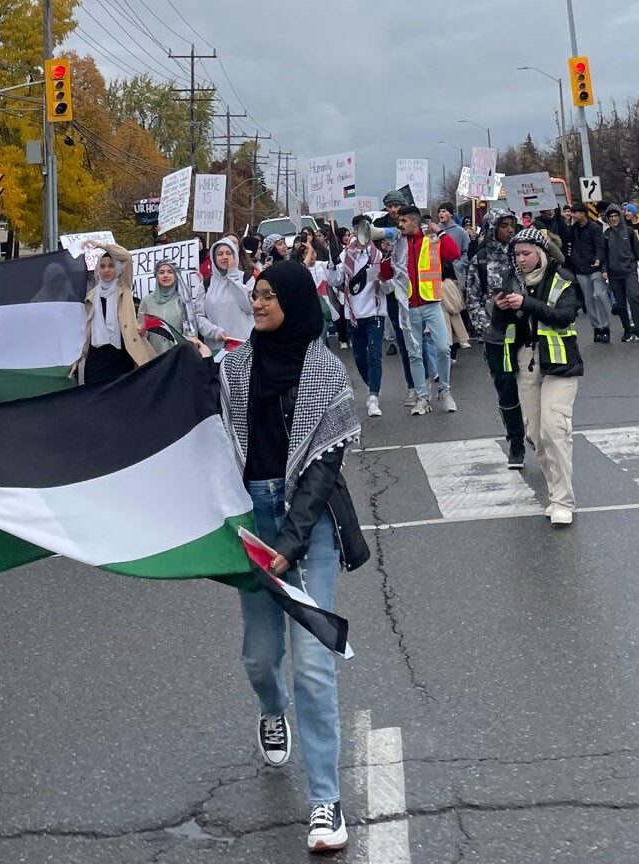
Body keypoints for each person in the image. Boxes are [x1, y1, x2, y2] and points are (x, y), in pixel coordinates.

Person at [216, 261, 369, 854]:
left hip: (309, 526)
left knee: (313, 664)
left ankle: (325, 801)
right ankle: (269, 707)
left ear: (298, 301)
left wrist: (288, 546)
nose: (257, 303)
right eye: (254, 294)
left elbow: (323, 472)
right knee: (260, 657)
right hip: (251, 522)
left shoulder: (325, 374)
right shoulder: (231, 369)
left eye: (269, 295)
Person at [494, 229, 582, 525]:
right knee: (536, 434)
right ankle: (556, 493)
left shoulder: (563, 277)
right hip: (526, 362)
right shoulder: (510, 279)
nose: (520, 260)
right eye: (517, 254)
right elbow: (500, 327)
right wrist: (501, 309)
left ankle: (562, 501)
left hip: (560, 363)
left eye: (526, 253)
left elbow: (565, 316)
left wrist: (527, 304)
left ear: (541, 253)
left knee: (554, 428)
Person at [462, 212, 529, 468]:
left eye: (512, 225)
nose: (509, 230)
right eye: (504, 226)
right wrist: (487, 326)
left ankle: (534, 431)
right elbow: (473, 298)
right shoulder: (479, 259)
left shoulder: (521, 254)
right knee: (506, 389)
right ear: (492, 229)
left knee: (532, 384)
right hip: (497, 337)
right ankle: (516, 443)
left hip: (525, 332)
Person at [387, 205, 460, 415]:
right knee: (414, 354)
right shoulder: (397, 243)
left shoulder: (431, 239)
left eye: (403, 221)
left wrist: (440, 231)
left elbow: (453, 253)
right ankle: (422, 398)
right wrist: (386, 253)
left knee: (444, 348)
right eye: (398, 222)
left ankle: (444, 392)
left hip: (431, 302)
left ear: (414, 222)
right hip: (408, 306)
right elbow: (385, 274)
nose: (399, 225)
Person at [75, 244, 155, 386]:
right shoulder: (90, 297)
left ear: (117, 269)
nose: (106, 270)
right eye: (102, 266)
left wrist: (101, 245)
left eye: (111, 266)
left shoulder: (124, 287)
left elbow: (126, 257)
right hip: (96, 358)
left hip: (121, 356)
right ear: (97, 270)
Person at [341, 215, 386, 417]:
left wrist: (384, 275)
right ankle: (372, 384)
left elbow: (386, 284)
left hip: (374, 312)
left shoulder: (379, 255)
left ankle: (374, 396)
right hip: (353, 314)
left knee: (374, 354)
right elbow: (335, 281)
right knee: (359, 357)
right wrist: (333, 265)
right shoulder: (345, 256)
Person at [197, 236, 255, 353]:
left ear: (235, 255)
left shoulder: (247, 279)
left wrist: (232, 276)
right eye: (220, 254)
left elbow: (249, 308)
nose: (224, 257)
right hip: (217, 348)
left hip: (244, 346)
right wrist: (214, 332)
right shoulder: (206, 284)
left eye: (228, 253)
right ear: (214, 257)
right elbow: (199, 316)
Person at [565, 204, 612, 343]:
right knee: (588, 300)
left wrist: (598, 259)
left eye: (575, 212)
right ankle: (597, 328)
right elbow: (569, 244)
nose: (573, 215)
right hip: (580, 269)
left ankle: (605, 326)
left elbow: (600, 246)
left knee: (598, 295)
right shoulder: (573, 229)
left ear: (583, 213)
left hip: (594, 267)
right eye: (572, 213)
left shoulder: (594, 227)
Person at [601, 205, 639, 343]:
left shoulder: (629, 232)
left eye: (616, 216)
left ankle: (638, 329)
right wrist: (604, 270)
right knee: (620, 303)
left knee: (634, 297)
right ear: (608, 219)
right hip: (614, 273)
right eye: (611, 217)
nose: (614, 219)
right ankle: (627, 329)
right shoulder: (606, 235)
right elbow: (604, 255)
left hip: (630, 270)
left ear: (620, 217)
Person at [138, 260, 196, 354]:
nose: (165, 275)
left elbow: (190, 334)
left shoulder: (184, 301)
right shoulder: (147, 300)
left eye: (170, 272)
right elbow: (140, 327)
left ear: (176, 275)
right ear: (156, 276)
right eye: (161, 272)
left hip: (177, 356)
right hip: (152, 356)